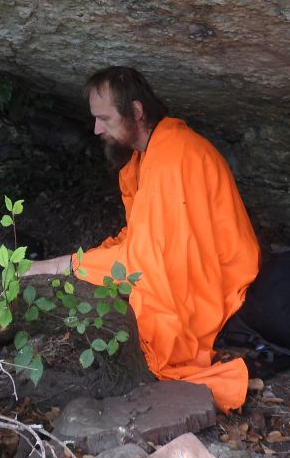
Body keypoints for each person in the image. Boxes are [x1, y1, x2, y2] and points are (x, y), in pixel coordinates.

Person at [24, 66, 260, 410]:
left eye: (104, 118)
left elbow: (147, 258)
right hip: (192, 262)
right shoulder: (143, 158)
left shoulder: (173, 156)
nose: (96, 129)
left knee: (156, 326)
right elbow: (137, 235)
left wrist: (62, 266)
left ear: (136, 112)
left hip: (223, 280)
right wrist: (85, 260)